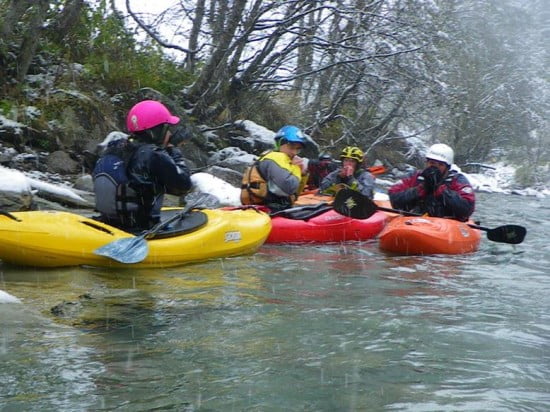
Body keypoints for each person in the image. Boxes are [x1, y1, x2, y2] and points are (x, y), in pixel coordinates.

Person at [93, 100, 192, 231]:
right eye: (167, 129)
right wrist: (173, 150)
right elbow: (184, 184)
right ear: (157, 131)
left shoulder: (113, 148)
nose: (169, 134)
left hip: (109, 224)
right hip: (139, 229)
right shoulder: (154, 155)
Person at [388, 143, 475, 221]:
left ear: (447, 167)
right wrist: (420, 190)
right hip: (413, 219)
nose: (435, 167)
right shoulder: (415, 176)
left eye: (440, 164)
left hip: (444, 224)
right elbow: (394, 196)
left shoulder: (458, 180)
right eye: (432, 163)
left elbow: (467, 209)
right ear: (427, 163)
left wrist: (440, 191)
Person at [241, 125, 309, 212]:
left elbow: (295, 193)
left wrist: (303, 174)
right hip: (267, 210)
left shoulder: (276, 158)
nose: (294, 152)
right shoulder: (277, 157)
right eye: (291, 147)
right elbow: (288, 188)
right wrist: (297, 169)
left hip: (264, 208)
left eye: (298, 149)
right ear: (280, 143)